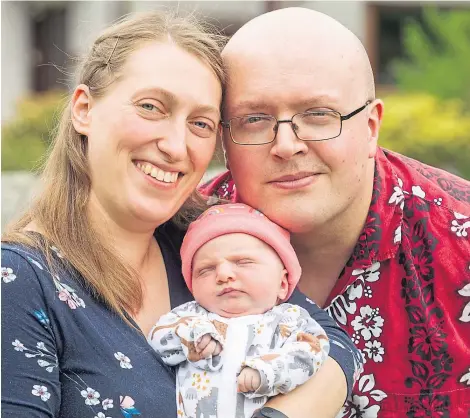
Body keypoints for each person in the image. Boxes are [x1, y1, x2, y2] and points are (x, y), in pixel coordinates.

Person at [1, 9, 361, 418]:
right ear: (84, 109)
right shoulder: (18, 283)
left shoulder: (199, 240)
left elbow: (333, 345)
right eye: (152, 107)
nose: (176, 145)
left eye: (201, 123)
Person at [202, 7, 470, 417]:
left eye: (318, 115)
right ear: (224, 137)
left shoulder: (462, 241)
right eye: (254, 119)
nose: (287, 144)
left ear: (371, 126)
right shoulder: (168, 241)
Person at [149, 203, 331, 417]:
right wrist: (190, 338)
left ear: (282, 284)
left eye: (243, 262)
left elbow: (312, 352)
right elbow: (158, 340)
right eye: (206, 270)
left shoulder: (288, 320)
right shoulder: (191, 316)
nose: (224, 274)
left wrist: (269, 371)